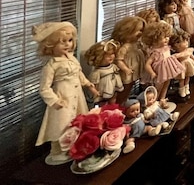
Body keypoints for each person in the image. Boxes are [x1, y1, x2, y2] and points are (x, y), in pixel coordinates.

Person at [32, 22, 100, 165]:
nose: (67, 45)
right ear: (50, 45)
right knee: (60, 125)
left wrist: (89, 85)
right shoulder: (51, 65)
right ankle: (57, 151)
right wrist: (55, 101)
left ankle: (73, 147)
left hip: (77, 96)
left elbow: (79, 75)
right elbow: (44, 88)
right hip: (63, 98)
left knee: (77, 121)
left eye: (69, 41)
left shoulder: (72, 58)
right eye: (61, 42)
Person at [141, 20, 185, 105]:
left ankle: (162, 99)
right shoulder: (155, 52)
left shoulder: (166, 48)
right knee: (158, 87)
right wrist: (152, 73)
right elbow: (147, 65)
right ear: (154, 39)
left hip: (167, 71)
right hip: (159, 73)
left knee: (166, 84)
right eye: (163, 37)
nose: (166, 39)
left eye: (167, 36)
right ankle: (154, 102)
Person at [111, 15, 146, 103]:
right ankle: (120, 103)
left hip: (134, 70)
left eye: (141, 30)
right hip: (127, 71)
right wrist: (126, 69)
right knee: (124, 87)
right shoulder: (125, 47)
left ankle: (125, 101)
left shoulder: (136, 44)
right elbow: (119, 60)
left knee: (130, 86)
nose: (140, 33)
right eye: (137, 30)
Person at [84, 39, 124, 105]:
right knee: (103, 103)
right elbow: (93, 84)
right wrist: (95, 92)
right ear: (100, 57)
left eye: (113, 54)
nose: (111, 56)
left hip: (113, 87)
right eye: (108, 55)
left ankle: (112, 109)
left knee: (113, 99)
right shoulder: (98, 72)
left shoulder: (113, 66)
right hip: (103, 90)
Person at [169, 28, 194, 100]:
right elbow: (173, 59)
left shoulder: (188, 50)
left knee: (188, 76)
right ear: (177, 44)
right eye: (184, 41)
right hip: (181, 66)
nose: (186, 43)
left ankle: (186, 87)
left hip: (188, 64)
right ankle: (181, 90)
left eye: (186, 41)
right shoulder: (177, 54)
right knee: (181, 78)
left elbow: (191, 55)